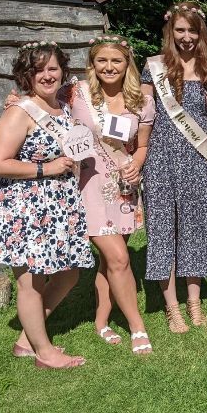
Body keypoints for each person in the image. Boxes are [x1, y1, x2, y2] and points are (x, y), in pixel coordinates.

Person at [0, 41, 93, 369]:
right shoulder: (20, 111)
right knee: (31, 280)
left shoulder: (64, 105)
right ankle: (44, 352)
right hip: (26, 208)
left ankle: (27, 339)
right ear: (25, 75)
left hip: (60, 204)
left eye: (52, 68)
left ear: (63, 71)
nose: (47, 75)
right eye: (38, 70)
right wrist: (46, 168)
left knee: (70, 272)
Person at [140, 2, 207, 332]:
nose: (186, 37)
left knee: (196, 228)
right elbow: (141, 113)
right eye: (180, 30)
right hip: (160, 157)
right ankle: (172, 307)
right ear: (170, 31)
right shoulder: (154, 68)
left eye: (192, 30)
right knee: (164, 229)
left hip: (196, 158)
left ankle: (194, 302)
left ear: (201, 33)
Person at [69, 34, 153, 355]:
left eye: (116, 60)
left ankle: (101, 320)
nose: (109, 67)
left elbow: (142, 145)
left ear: (127, 63)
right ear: (92, 64)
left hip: (123, 188)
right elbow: (42, 100)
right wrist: (13, 99)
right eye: (101, 60)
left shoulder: (141, 101)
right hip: (88, 188)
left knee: (110, 262)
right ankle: (137, 327)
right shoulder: (76, 93)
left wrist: (137, 164)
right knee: (119, 258)